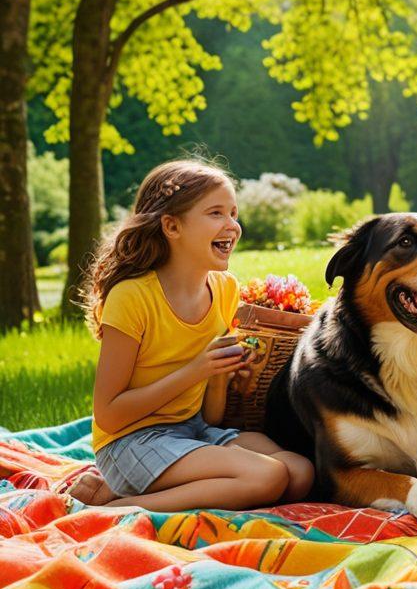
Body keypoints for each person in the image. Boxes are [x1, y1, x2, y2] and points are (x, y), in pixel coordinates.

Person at [72, 158, 314, 511]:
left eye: (234, 213)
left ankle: (127, 496)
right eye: (216, 213)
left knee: (301, 472)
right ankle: (119, 508)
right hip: (132, 442)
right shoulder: (133, 297)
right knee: (267, 478)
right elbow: (108, 415)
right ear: (172, 226)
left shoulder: (225, 289)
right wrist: (195, 370)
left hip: (193, 431)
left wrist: (219, 376)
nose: (233, 225)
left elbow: (212, 417)